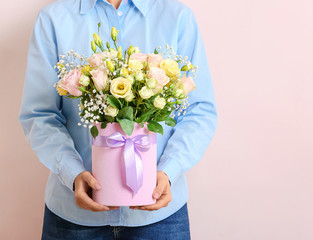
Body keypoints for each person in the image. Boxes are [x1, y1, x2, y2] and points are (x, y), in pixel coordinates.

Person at [18, 0, 217, 239]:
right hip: (73, 218)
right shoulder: (53, 19)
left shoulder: (178, 17)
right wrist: (72, 173)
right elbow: (39, 115)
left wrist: (169, 171)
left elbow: (199, 110)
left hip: (159, 219)